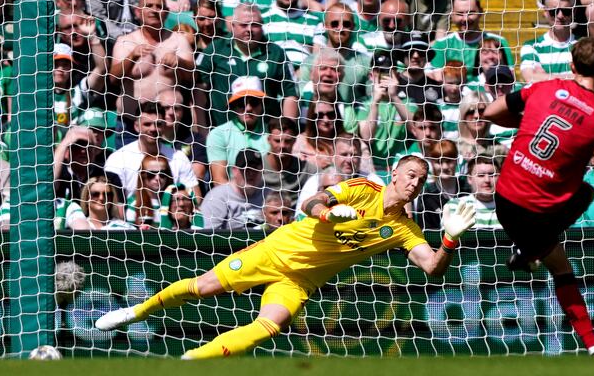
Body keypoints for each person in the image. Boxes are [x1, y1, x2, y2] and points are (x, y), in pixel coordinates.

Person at [95, 154, 477, 360]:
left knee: (270, 326)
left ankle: (191, 361)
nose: (413, 184)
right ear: (394, 174)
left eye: (420, 181)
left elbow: (432, 268)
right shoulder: (363, 189)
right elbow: (313, 201)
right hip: (276, 251)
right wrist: (328, 212)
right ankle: (137, 312)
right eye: (409, 175)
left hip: (300, 280)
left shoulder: (405, 228)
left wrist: (449, 241)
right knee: (203, 287)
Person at [484, 36, 594, 356]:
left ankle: (529, 251)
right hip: (541, 215)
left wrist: (528, 120)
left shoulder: (544, 89)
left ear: (571, 65)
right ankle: (592, 345)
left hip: (505, 199)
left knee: (556, 260)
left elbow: (491, 112)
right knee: (587, 193)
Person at [104, 101, 200, 199]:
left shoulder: (178, 157)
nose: (153, 129)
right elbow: (113, 202)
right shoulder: (118, 159)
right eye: (147, 124)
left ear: (164, 126)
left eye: (158, 124)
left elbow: (195, 197)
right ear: (136, 127)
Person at [206, 76, 267, 186]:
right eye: (241, 104)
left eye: (254, 102)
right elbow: (219, 180)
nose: (248, 108)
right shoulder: (218, 134)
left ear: (262, 104)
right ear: (233, 107)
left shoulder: (273, 133)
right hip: (234, 199)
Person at [200, 148, 266, 230]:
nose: (250, 173)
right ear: (234, 171)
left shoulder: (269, 195)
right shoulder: (217, 197)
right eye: (245, 169)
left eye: (255, 169)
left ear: (262, 171)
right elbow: (208, 236)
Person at [63, 175, 132, 230]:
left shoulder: (124, 228)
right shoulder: (75, 225)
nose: (101, 198)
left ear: (112, 198)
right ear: (86, 198)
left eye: (106, 194)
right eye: (95, 194)